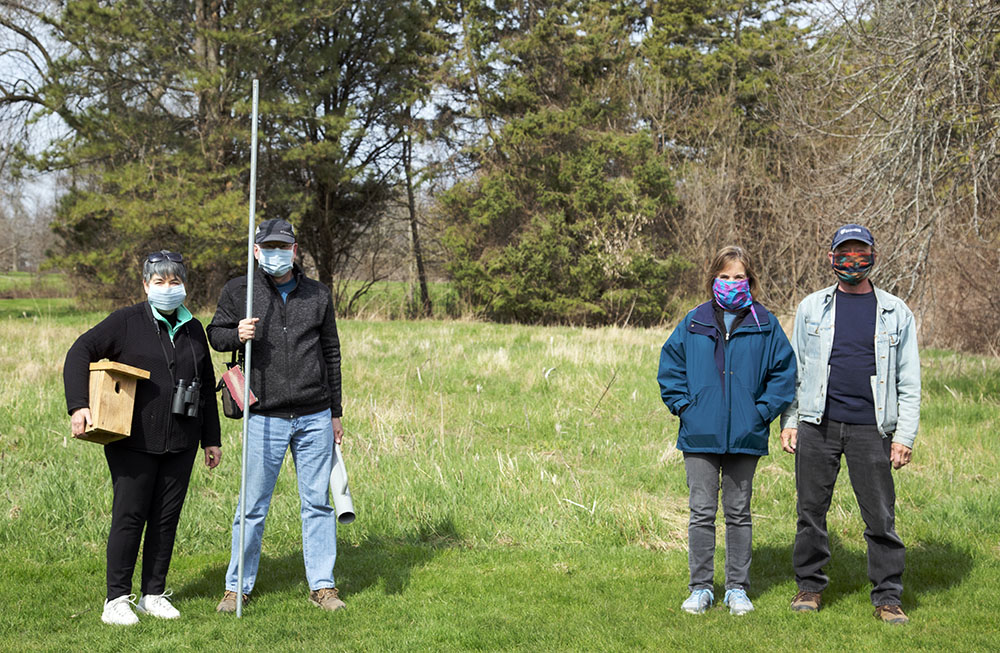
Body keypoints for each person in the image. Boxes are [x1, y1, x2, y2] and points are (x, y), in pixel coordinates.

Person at [63, 250, 222, 626]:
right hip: (133, 440)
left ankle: (154, 593)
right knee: (130, 517)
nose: (168, 288)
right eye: (160, 281)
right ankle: (116, 599)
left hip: (182, 441)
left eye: (175, 281)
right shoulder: (126, 321)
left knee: (166, 519)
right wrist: (78, 406)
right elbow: (79, 351)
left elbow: (204, 389)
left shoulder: (194, 328)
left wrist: (210, 440)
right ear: (146, 285)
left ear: (185, 285)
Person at [780, 224, 920, 625]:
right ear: (831, 258)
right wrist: (791, 420)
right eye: (845, 252)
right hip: (817, 424)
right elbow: (798, 370)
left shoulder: (895, 311)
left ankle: (888, 596)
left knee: (879, 516)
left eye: (861, 252)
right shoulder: (811, 308)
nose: (852, 260)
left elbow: (908, 381)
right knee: (810, 512)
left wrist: (904, 435)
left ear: (874, 255)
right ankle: (809, 586)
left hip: (871, 429)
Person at [208, 218, 346, 613]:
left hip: (314, 415)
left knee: (318, 503)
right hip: (262, 416)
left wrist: (335, 412)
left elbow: (331, 354)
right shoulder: (239, 290)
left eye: (282, 246)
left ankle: (323, 586)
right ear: (256, 251)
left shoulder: (318, 295)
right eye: (268, 247)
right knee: (251, 505)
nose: (276, 253)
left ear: (295, 250)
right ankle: (237, 587)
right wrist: (237, 333)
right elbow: (213, 334)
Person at [658, 246, 797, 615]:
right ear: (713, 279)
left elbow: (784, 374)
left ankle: (737, 588)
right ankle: (700, 588)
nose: (732, 283)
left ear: (750, 280)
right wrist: (686, 408)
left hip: (744, 436)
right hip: (700, 435)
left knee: (739, 513)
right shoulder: (693, 321)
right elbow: (670, 367)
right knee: (701, 512)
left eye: (739, 277)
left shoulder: (764, 322)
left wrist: (761, 413)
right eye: (724, 276)